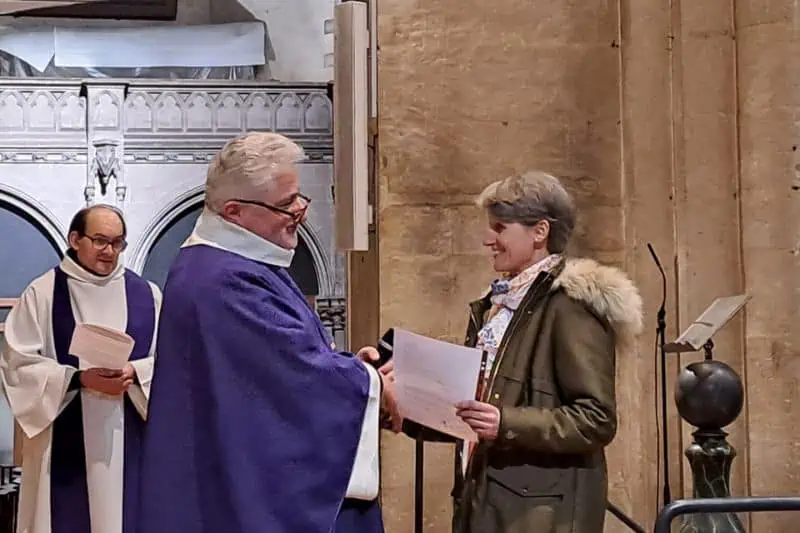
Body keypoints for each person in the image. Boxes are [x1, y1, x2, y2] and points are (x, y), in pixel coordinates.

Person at [137, 132, 400, 533]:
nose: (300, 211)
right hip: (246, 497)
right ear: (234, 211)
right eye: (284, 204)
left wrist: (346, 366)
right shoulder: (222, 281)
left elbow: (285, 360)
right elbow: (289, 381)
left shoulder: (234, 264)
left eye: (299, 197)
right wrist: (369, 385)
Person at [403, 171, 643, 533]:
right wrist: (408, 412)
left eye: (499, 228)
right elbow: (478, 410)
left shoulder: (570, 305)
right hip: (490, 503)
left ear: (540, 232)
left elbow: (595, 419)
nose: (488, 240)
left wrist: (505, 423)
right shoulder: (496, 304)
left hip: (539, 515)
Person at [0, 205, 161, 533]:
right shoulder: (42, 293)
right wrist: (77, 378)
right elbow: (17, 363)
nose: (110, 251)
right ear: (75, 239)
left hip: (129, 435)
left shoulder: (147, 294)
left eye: (118, 243)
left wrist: (137, 372)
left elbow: (172, 360)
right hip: (64, 438)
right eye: (101, 241)